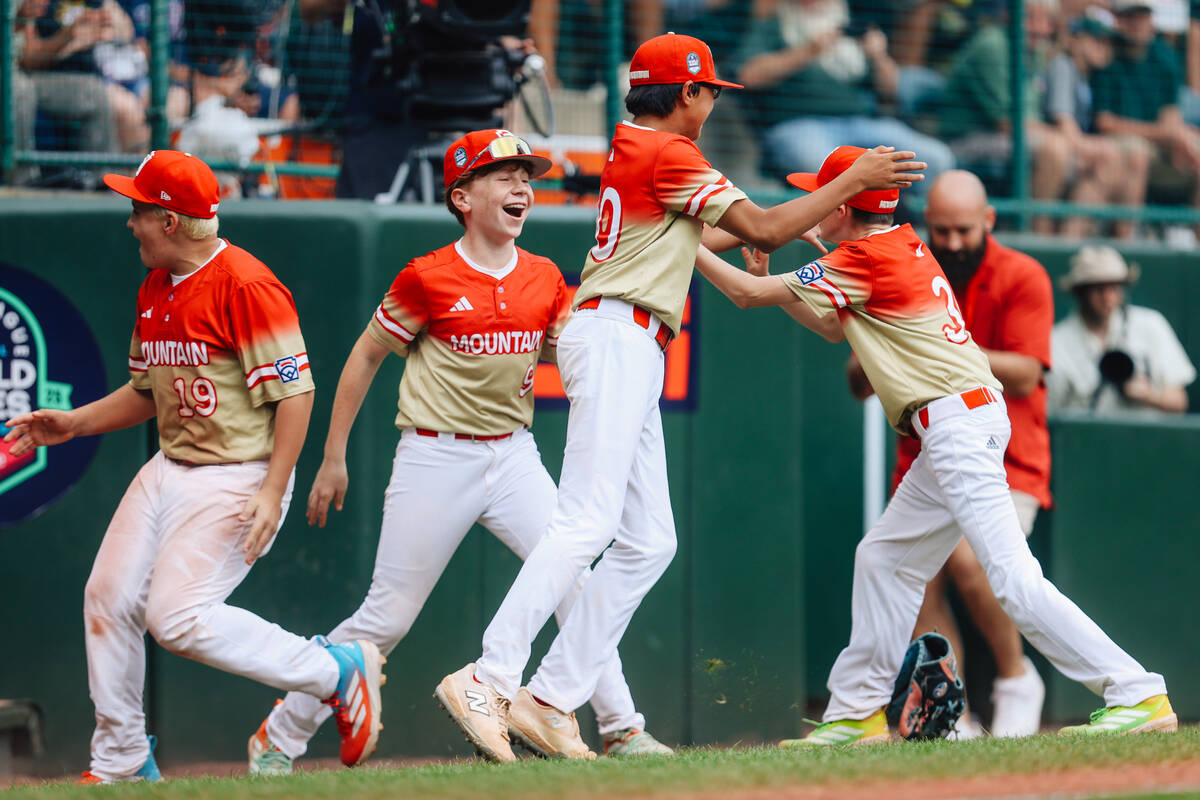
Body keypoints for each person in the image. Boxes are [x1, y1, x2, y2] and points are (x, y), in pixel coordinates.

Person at [435, 33, 926, 762]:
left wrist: (751, 231)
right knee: (585, 522)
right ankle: (490, 675)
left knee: (648, 540)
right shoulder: (666, 153)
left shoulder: (640, 146)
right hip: (613, 335)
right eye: (707, 92)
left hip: (628, 336)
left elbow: (695, 237)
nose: (710, 104)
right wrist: (854, 182)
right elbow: (762, 224)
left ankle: (550, 697)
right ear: (686, 92)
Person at [691, 144, 1176, 746]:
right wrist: (768, 270)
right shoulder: (892, 245)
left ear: (846, 207)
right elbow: (826, 323)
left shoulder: (868, 255)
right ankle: (857, 713)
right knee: (883, 560)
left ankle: (1137, 691)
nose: (816, 203)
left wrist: (684, 247)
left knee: (1012, 579)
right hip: (956, 423)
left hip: (958, 425)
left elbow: (744, 296)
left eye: (826, 194)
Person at [245, 130, 671, 774]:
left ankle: (620, 726)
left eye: (525, 176)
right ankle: (279, 736)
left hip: (515, 456)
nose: (521, 186)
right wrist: (333, 457)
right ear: (462, 196)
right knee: (385, 617)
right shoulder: (428, 276)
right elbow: (364, 354)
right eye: (502, 176)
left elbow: (567, 351)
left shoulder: (544, 277)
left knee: (576, 585)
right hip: (434, 457)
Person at [2, 150, 384, 783]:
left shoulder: (246, 284)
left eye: (138, 211)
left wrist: (273, 488)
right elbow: (147, 390)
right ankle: (121, 759)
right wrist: (72, 424)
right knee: (108, 596)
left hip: (239, 471)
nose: (131, 224)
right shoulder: (156, 283)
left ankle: (335, 673)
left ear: (171, 221)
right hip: (171, 465)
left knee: (176, 618)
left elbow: (296, 394)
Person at [845, 170, 1052, 738]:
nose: (953, 242)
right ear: (926, 226)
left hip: (1008, 457)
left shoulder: (1021, 274)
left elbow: (1029, 374)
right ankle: (951, 707)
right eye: (942, 231)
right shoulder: (902, 263)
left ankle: (1016, 679)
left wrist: (939, 340)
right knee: (916, 569)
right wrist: (882, 332)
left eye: (964, 229)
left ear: (988, 221)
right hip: (924, 458)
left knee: (966, 559)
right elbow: (856, 381)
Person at [733, 0, 954, 191]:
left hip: (861, 123)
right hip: (800, 126)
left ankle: (909, 232)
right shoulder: (776, 24)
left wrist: (878, 56)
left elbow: (891, 90)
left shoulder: (850, 26)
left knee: (935, 157)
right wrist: (809, 50)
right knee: (820, 165)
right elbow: (749, 75)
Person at [1047, 245, 1195, 416]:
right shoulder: (1057, 341)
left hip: (1148, 438)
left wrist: (1148, 395)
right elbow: (1051, 413)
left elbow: (1180, 401)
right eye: (1099, 289)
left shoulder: (1151, 324)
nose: (1108, 297)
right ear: (1080, 292)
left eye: (1115, 287)